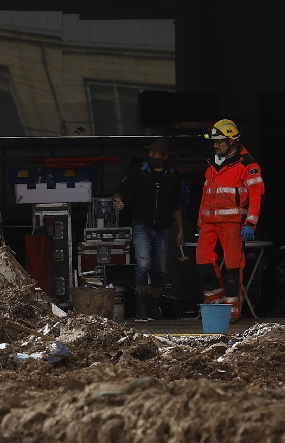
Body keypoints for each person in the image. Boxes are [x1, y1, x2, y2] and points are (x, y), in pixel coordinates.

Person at [196, 119, 264, 321]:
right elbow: (205, 195)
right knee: (202, 260)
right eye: (214, 141)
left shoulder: (247, 164)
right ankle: (215, 301)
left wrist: (250, 223)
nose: (215, 145)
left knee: (234, 266)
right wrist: (200, 223)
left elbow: (256, 195)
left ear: (232, 141)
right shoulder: (211, 165)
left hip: (233, 223)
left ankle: (232, 309)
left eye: (219, 141)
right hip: (209, 223)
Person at [113, 139, 187, 320]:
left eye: (156, 152)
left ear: (165, 155)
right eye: (150, 152)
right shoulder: (139, 171)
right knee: (143, 265)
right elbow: (119, 191)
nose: (151, 155)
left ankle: (153, 307)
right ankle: (141, 309)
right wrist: (118, 201)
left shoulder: (173, 175)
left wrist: (181, 230)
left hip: (163, 228)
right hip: (142, 226)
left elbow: (177, 205)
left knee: (160, 270)